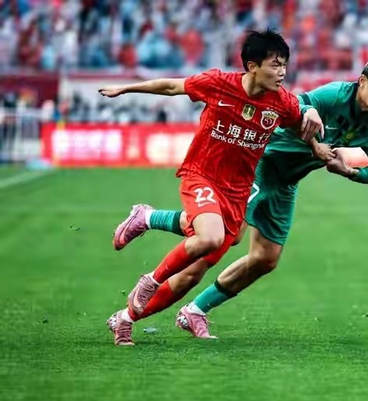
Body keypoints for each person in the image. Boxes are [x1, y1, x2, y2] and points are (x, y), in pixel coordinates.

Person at [108, 56, 368, 340]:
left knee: (265, 259)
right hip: (261, 165)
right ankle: (128, 311)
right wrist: (307, 109)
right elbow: (291, 103)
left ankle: (194, 310)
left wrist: (349, 171)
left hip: (285, 183)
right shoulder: (335, 95)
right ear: (362, 82)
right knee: (217, 244)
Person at [101, 30, 325, 345]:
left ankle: (125, 317)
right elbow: (172, 86)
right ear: (252, 66)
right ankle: (150, 280)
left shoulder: (282, 102)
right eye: (275, 65)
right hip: (202, 175)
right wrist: (126, 88)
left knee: (194, 272)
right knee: (210, 236)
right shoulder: (218, 83)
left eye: (285, 65)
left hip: (238, 190)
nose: (282, 72)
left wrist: (316, 145)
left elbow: (301, 123)